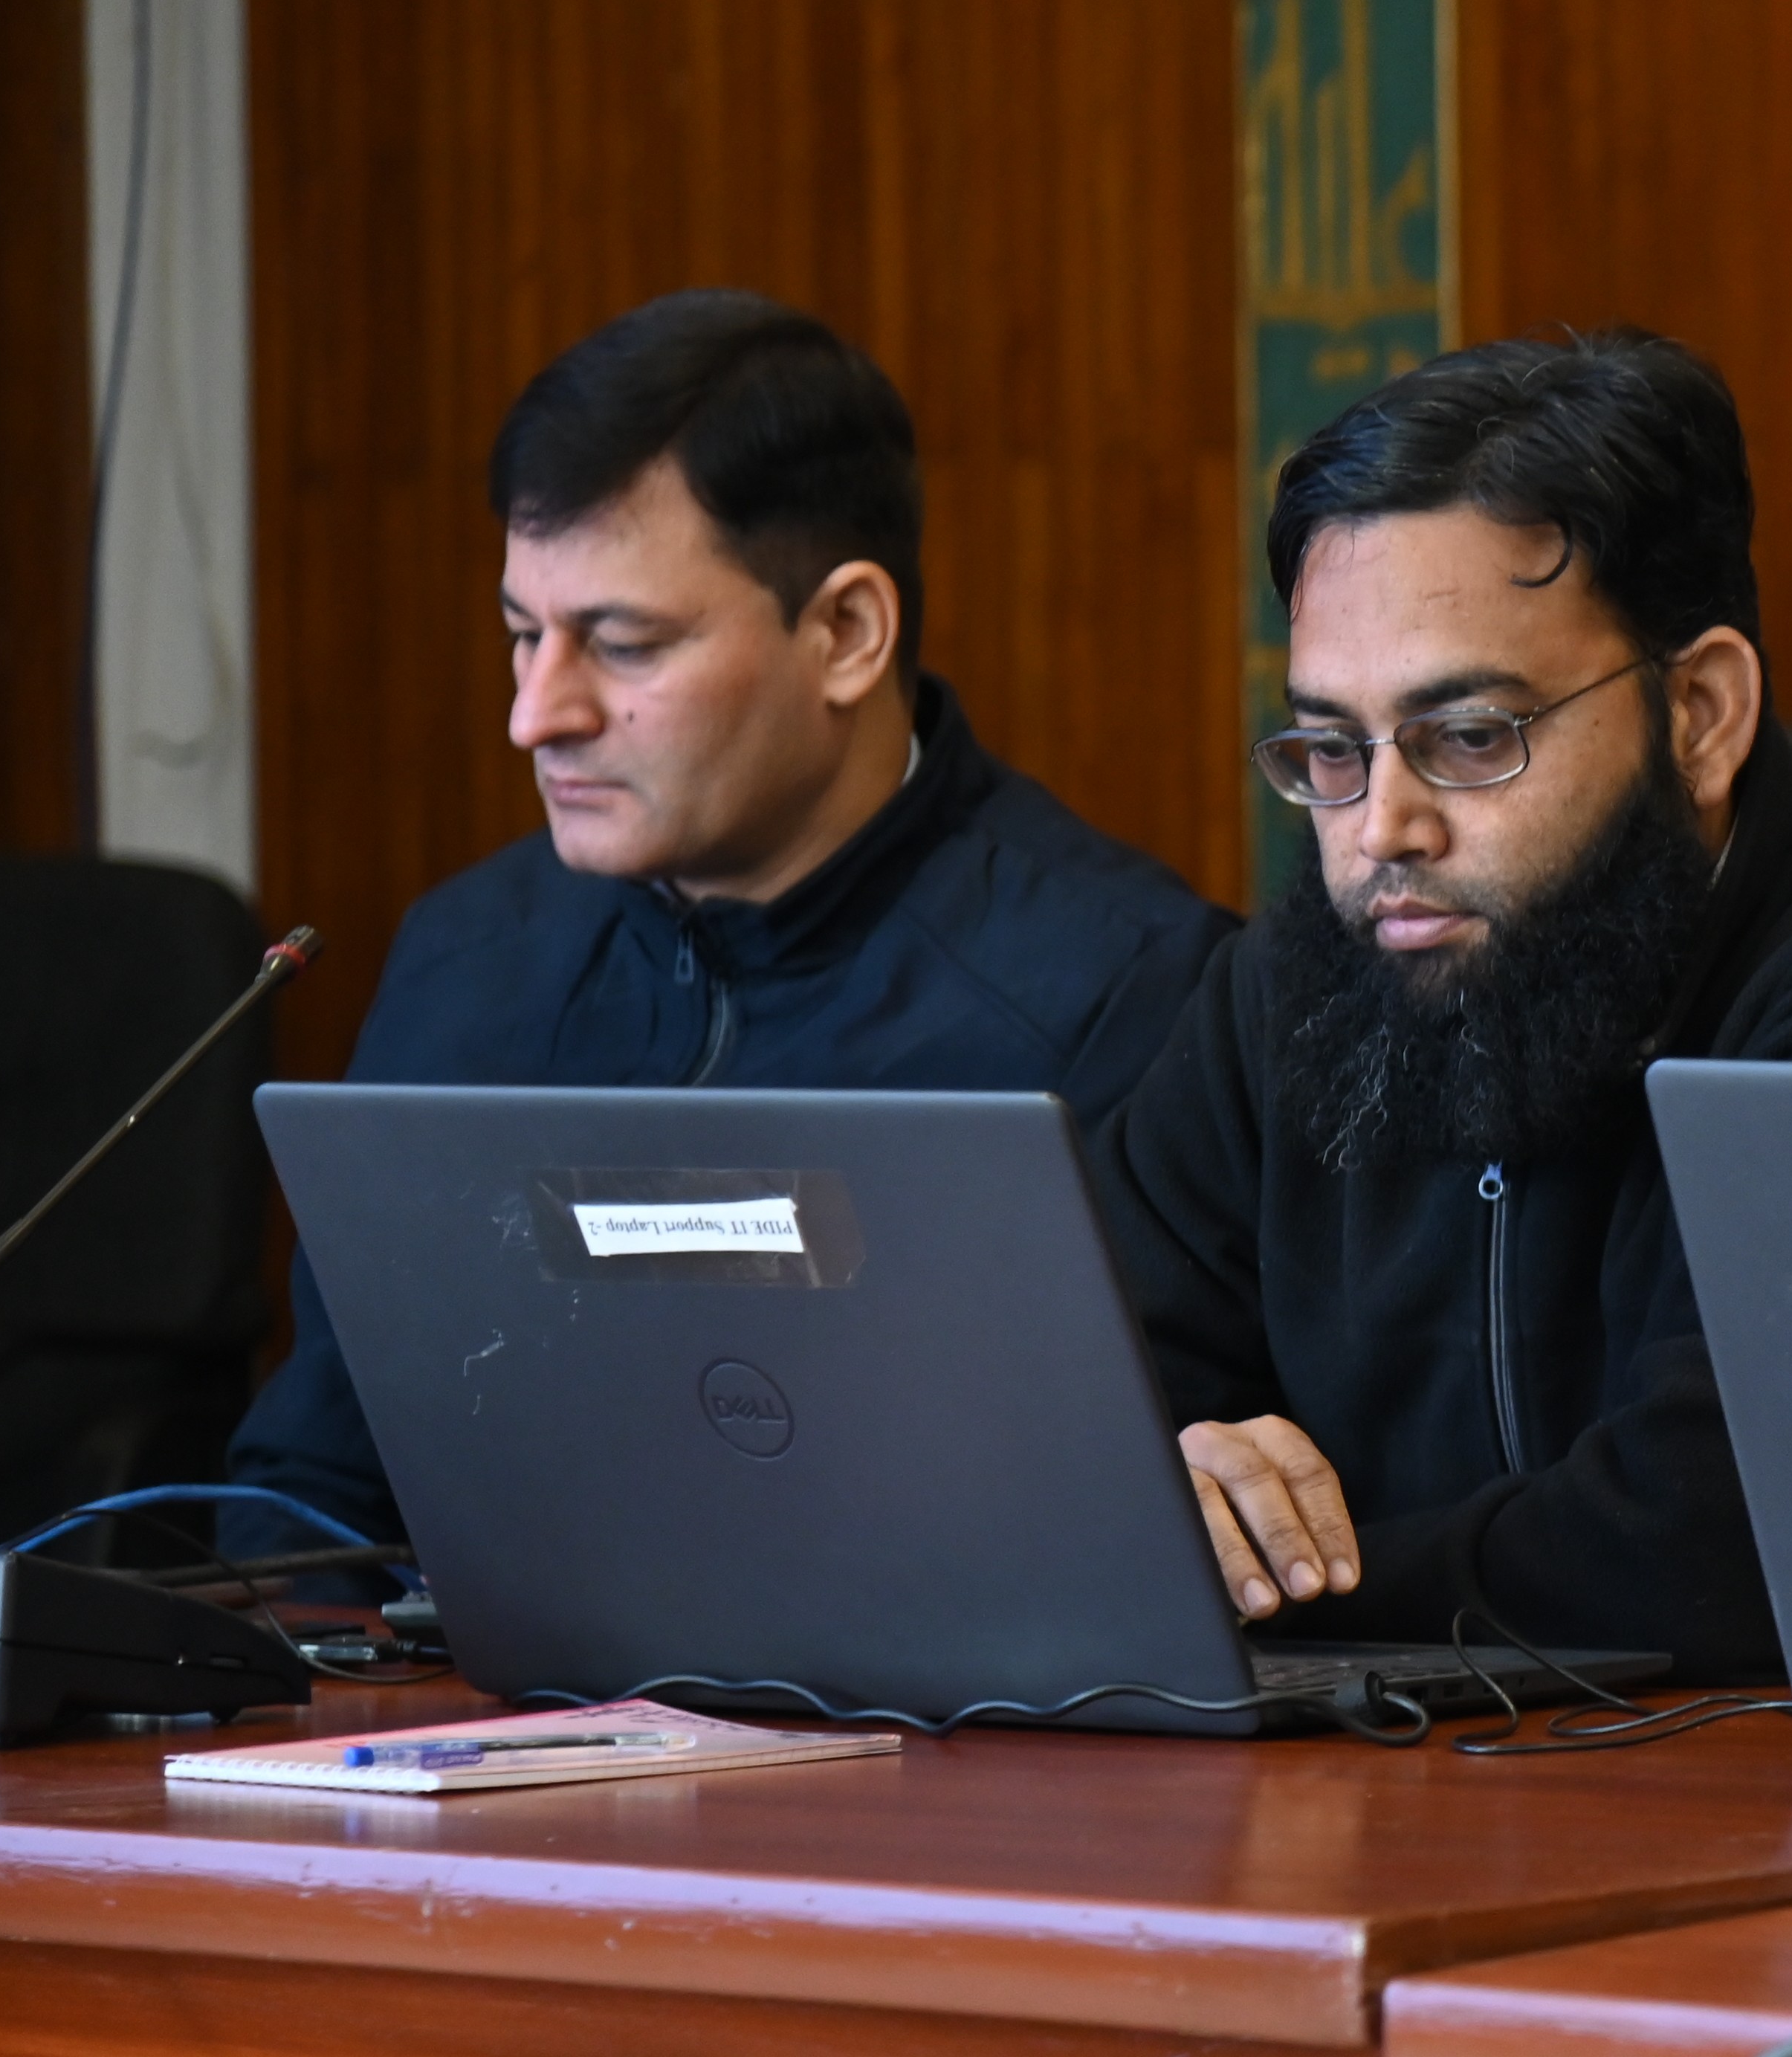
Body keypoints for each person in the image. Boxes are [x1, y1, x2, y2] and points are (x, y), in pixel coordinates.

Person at [1090, 329, 1792, 1681]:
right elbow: (1067, 1420)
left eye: (1469, 736)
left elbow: (1706, 1542)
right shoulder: (1299, 984)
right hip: (1385, 1815)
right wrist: (1171, 1492)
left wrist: (1251, 1582)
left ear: (1698, 712)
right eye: (1333, 747)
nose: (1380, 827)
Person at [226, 291, 1236, 1554]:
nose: (536, 716)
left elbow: (1159, 1530)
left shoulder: (1120, 996)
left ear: (845, 633)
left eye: (622, 644)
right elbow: (308, 1499)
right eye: (522, 637)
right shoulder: (464, 967)